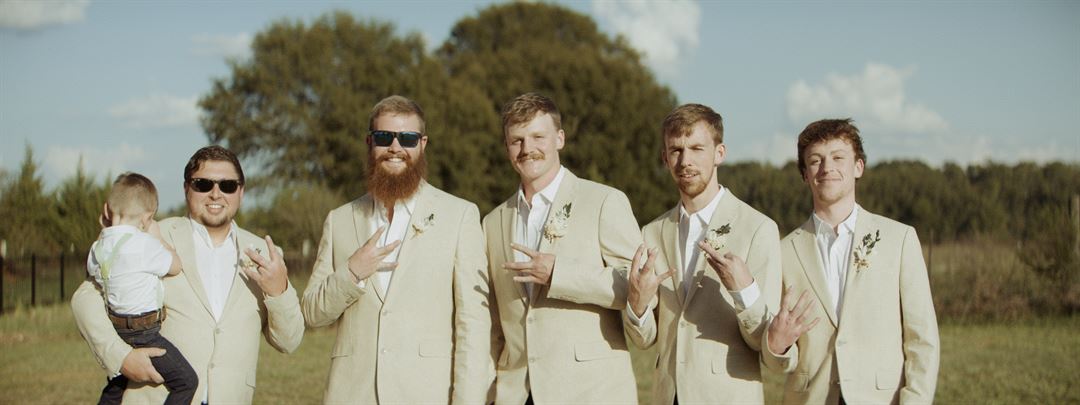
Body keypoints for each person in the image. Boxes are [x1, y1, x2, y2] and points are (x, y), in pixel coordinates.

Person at [72, 145, 305, 404]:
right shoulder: (148, 235)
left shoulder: (266, 253)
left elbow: (289, 341)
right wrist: (120, 357)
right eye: (203, 184)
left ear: (241, 191)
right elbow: (85, 299)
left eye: (227, 185)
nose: (215, 193)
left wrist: (278, 291)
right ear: (186, 188)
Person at [301, 95, 492, 404]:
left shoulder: (460, 216)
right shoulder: (340, 220)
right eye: (383, 137)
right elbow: (312, 314)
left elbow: (474, 323)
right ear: (369, 142)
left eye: (407, 138)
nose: (395, 147)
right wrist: (352, 272)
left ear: (423, 144)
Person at [762, 118, 940, 404]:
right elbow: (776, 358)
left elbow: (922, 340)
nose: (827, 168)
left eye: (838, 157)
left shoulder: (900, 239)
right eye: (815, 160)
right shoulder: (782, 252)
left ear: (858, 167)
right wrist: (777, 345)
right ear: (805, 174)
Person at [482, 93, 640, 404]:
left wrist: (559, 274)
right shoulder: (492, 222)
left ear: (560, 139)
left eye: (538, 137)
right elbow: (494, 322)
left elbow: (634, 286)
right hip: (516, 394)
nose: (527, 149)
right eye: (517, 140)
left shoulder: (604, 201)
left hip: (590, 392)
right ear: (506, 147)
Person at [623, 103, 783, 403]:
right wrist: (638, 304)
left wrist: (743, 292)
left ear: (719, 153)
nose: (685, 161)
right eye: (676, 150)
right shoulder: (651, 232)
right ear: (665, 158)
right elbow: (644, 340)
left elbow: (764, 340)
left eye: (697, 148)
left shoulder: (759, 229)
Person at [88, 172, 197, 405]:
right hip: (145, 333)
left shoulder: (97, 248)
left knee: (117, 383)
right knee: (187, 381)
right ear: (147, 218)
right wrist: (158, 239)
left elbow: (94, 274)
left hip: (117, 329)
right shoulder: (145, 244)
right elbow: (176, 266)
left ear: (107, 209)